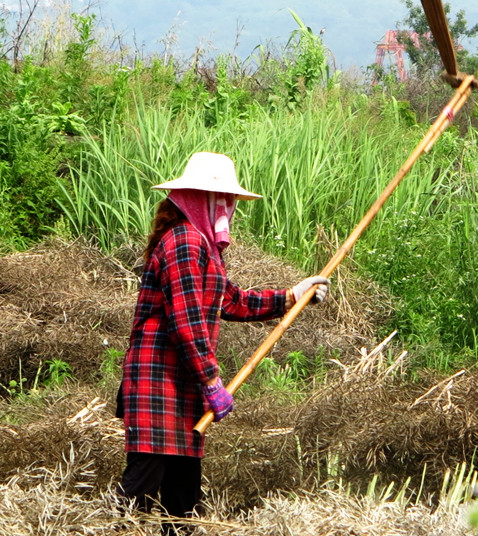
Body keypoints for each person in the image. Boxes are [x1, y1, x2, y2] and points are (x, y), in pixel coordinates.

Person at [115, 151, 329, 533]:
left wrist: (291, 296)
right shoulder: (183, 242)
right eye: (223, 200)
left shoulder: (201, 247)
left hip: (183, 389)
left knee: (182, 503)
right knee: (137, 493)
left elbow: (230, 300)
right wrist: (212, 380)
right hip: (158, 386)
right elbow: (186, 323)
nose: (229, 209)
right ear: (200, 199)